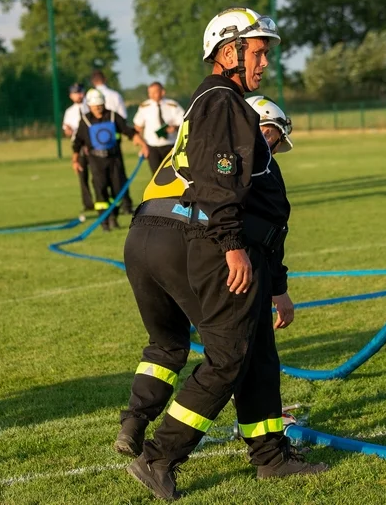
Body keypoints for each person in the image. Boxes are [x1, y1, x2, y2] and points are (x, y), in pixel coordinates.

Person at [120, 8, 326, 501]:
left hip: (216, 241)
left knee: (256, 352)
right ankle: (161, 456)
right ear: (228, 50)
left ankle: (270, 456)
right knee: (229, 355)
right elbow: (219, 182)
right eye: (257, 52)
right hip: (215, 244)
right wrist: (233, 246)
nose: (264, 64)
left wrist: (274, 284)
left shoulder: (216, 100)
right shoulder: (222, 100)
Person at [114, 92, 295, 459]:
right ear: (261, 124)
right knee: (232, 351)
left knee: (165, 345)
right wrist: (276, 287)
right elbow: (271, 223)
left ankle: (134, 420)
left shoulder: (195, 138)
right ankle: (165, 453)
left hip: (140, 238)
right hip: (186, 238)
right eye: (273, 135)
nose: (271, 147)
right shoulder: (244, 146)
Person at [71, 89, 148, 231]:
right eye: (95, 105)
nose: (98, 108)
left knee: (117, 189)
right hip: (96, 160)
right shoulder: (85, 121)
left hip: (114, 159)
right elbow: (77, 142)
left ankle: (114, 217)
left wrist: (143, 145)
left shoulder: (113, 116)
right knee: (100, 190)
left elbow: (128, 131)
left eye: (100, 104)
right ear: (89, 106)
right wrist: (75, 161)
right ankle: (104, 221)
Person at [91, 69, 133, 213]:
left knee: (101, 179)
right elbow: (122, 118)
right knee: (119, 175)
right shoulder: (115, 95)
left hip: (96, 145)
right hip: (115, 143)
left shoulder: (88, 97)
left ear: (93, 82)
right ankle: (126, 204)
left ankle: (111, 208)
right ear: (105, 79)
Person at [132, 82, 185, 174]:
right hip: (152, 146)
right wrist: (142, 145)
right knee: (156, 175)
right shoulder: (144, 107)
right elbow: (137, 127)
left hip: (170, 145)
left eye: (154, 92)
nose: (151, 95)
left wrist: (175, 128)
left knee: (172, 174)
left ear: (162, 92)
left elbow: (184, 122)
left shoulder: (172, 105)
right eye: (150, 93)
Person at [62, 83, 93, 212]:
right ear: (71, 96)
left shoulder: (90, 107)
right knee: (82, 174)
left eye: (80, 92)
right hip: (78, 146)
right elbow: (66, 129)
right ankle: (88, 203)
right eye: (75, 93)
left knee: (98, 174)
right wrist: (68, 131)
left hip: (91, 145)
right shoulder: (69, 112)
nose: (78, 95)